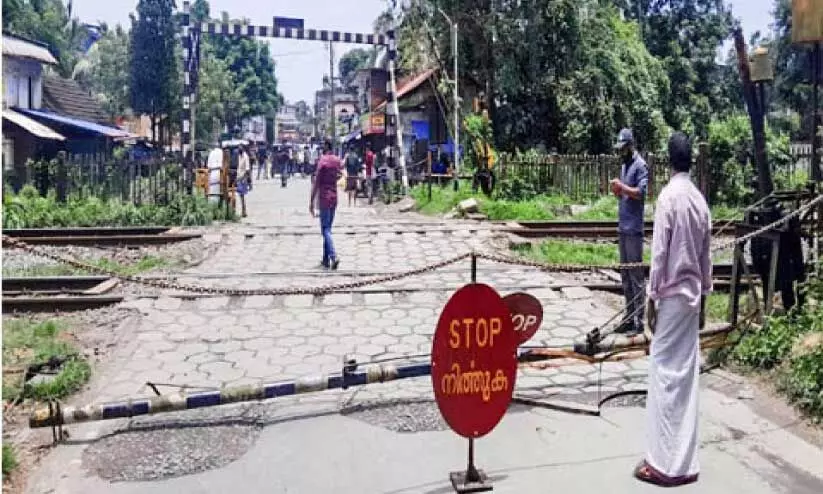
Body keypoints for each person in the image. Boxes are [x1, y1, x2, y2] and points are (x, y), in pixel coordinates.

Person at [636, 132, 711, 487]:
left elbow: (660, 255)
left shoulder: (668, 198)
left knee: (663, 374)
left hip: (670, 297)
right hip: (693, 298)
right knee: (686, 378)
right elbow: (706, 259)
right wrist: (705, 301)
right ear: (691, 161)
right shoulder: (700, 201)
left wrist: (651, 298)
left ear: (668, 161)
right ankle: (685, 462)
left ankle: (661, 464)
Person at [610, 128, 649, 334]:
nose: (621, 152)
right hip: (623, 227)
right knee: (625, 275)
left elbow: (641, 194)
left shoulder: (640, 165)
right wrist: (619, 191)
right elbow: (626, 194)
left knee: (635, 276)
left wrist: (622, 187)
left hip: (634, 229)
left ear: (631, 146)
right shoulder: (625, 165)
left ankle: (639, 322)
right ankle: (629, 314)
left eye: (623, 148)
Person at [310, 140, 342, 270]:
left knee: (325, 230)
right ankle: (325, 260)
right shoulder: (336, 160)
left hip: (324, 198)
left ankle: (333, 256)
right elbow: (340, 174)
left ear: (324, 147)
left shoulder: (322, 161)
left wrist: (311, 202)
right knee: (328, 228)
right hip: (334, 197)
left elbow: (316, 183)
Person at [236, 145, 250, 218]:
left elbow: (247, 169)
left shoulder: (245, 157)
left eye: (240, 148)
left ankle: (244, 211)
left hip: (243, 178)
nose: (239, 150)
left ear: (243, 149)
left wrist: (245, 178)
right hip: (238, 177)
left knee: (242, 195)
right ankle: (243, 211)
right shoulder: (238, 156)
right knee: (240, 195)